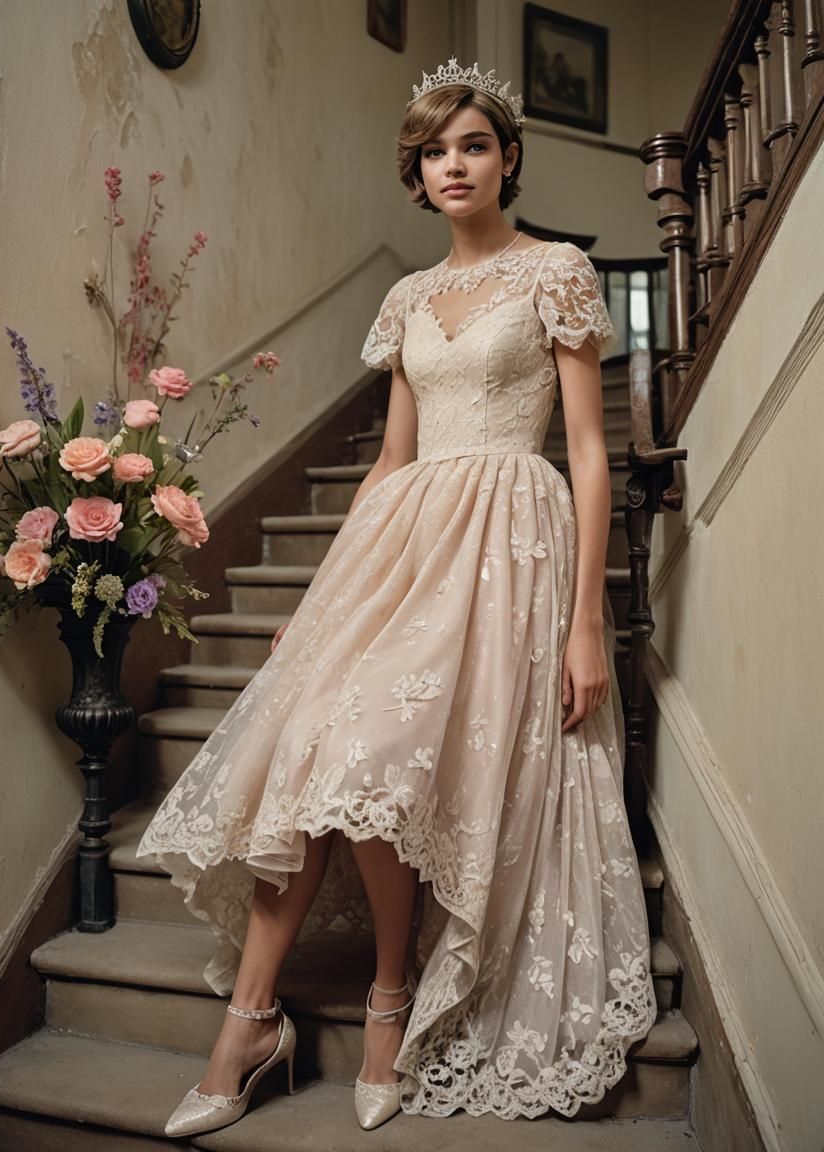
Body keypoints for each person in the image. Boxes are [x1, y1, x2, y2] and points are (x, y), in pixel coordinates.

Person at [137, 55, 657, 1139]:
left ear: (506, 159)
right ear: (415, 175)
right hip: (407, 537)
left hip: (511, 539)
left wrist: (581, 621)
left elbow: (589, 452)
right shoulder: (406, 297)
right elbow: (389, 461)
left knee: (375, 762)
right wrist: (328, 593)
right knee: (313, 752)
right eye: (433, 150)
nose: (453, 163)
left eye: (472, 145)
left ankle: (387, 1005)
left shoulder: (555, 271)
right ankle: (245, 1030)